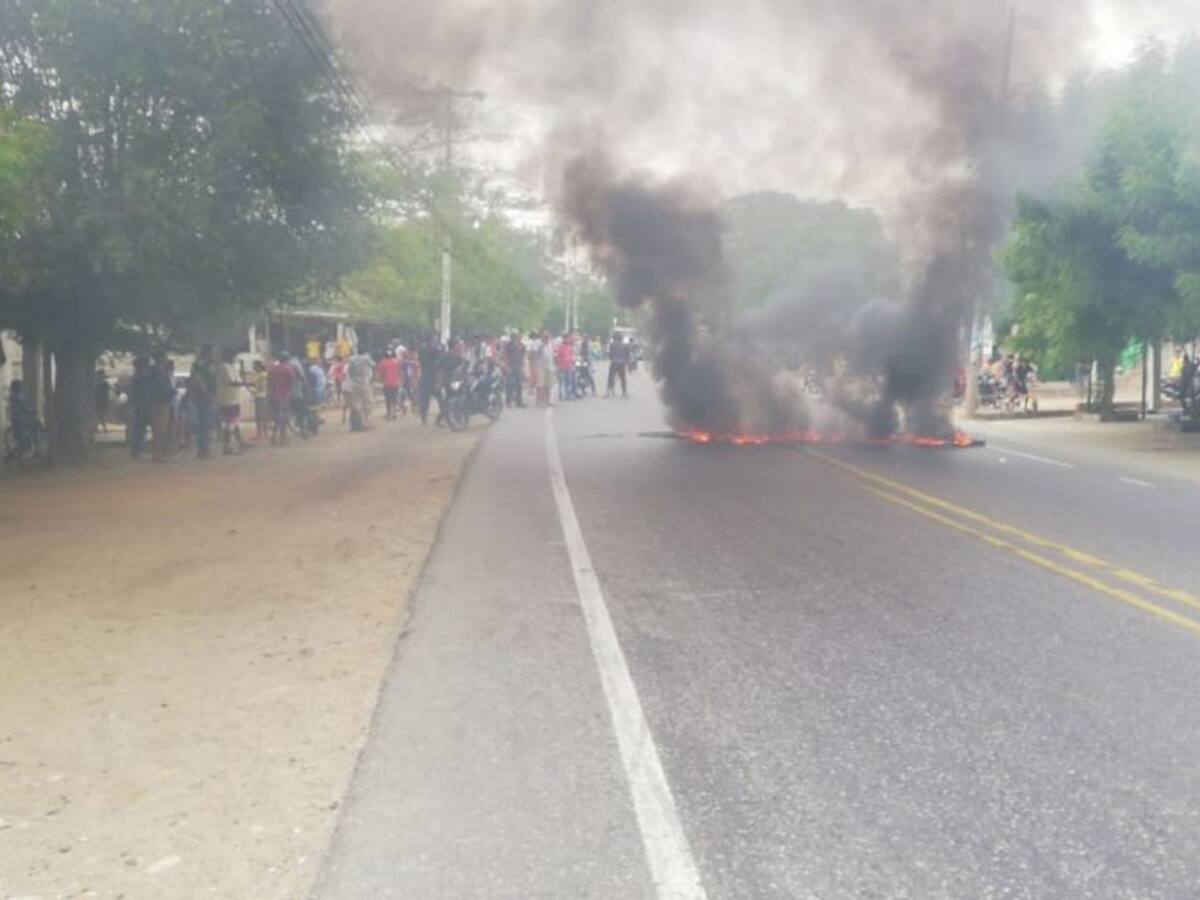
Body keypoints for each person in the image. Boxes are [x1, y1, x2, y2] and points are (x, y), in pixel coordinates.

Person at [188, 344, 219, 458]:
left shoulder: (210, 365)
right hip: (203, 398)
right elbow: (198, 381)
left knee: (206, 424)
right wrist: (209, 394)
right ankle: (203, 448)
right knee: (204, 424)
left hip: (205, 397)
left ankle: (204, 448)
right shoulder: (200, 365)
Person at [216, 348, 247, 455]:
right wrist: (246, 384)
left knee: (234, 422)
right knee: (230, 424)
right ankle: (226, 447)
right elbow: (232, 382)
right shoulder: (224, 367)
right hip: (228, 399)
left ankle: (239, 442)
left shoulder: (231, 367)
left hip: (233, 398)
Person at [147, 353, 174, 461]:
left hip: (154, 401)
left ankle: (157, 453)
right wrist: (171, 392)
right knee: (160, 428)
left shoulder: (151, 371)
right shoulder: (160, 371)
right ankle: (157, 454)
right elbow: (163, 387)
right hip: (162, 402)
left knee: (157, 428)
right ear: (162, 358)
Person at [267, 351, 296, 445]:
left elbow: (269, 381)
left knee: (275, 417)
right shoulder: (288, 368)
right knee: (283, 417)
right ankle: (283, 439)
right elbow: (293, 379)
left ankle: (274, 436)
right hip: (283, 395)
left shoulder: (273, 369)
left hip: (273, 395)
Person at [128, 355, 152, 458]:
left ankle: (137, 448)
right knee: (139, 428)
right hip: (141, 405)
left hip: (142, 404)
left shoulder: (138, 376)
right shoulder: (141, 376)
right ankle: (136, 449)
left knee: (139, 428)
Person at [6, 379, 36, 460]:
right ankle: (21, 454)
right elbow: (24, 406)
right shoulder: (19, 395)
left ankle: (15, 454)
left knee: (18, 436)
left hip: (14, 419)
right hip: (20, 419)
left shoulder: (11, 395)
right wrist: (31, 410)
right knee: (23, 436)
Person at [347, 348, 374, 431]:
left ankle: (359, 424)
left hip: (354, 384)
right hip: (364, 383)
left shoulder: (351, 359)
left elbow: (349, 372)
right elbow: (373, 365)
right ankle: (366, 422)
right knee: (368, 403)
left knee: (356, 405)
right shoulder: (366, 357)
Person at [417, 337, 441, 425]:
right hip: (433, 376)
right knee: (440, 397)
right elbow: (438, 360)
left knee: (425, 399)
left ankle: (424, 417)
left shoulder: (421, 350)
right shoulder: (434, 350)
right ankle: (443, 416)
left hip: (424, 375)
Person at [377, 348, 402, 420]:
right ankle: (394, 413)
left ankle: (389, 413)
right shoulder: (396, 362)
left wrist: (381, 379)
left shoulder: (383, 362)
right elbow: (399, 372)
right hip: (395, 383)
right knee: (394, 399)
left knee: (388, 399)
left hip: (386, 384)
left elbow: (380, 375)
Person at [503, 331, 526, 408]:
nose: (515, 338)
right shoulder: (508, 345)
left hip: (518, 366)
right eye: (514, 336)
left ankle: (519, 402)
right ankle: (508, 401)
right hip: (511, 366)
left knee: (519, 385)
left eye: (516, 336)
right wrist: (507, 366)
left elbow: (523, 356)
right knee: (510, 384)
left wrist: (523, 367)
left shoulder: (521, 345)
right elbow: (505, 355)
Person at [250, 360, 269, 441]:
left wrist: (252, 390)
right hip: (258, 396)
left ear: (258, 366)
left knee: (261, 415)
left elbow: (261, 387)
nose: (253, 367)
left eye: (254, 365)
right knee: (259, 416)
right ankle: (261, 433)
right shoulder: (257, 374)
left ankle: (264, 433)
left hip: (261, 396)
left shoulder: (262, 375)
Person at [607, 334, 630, 398]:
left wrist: (611, 359)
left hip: (614, 363)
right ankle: (624, 393)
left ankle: (608, 392)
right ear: (621, 338)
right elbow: (627, 354)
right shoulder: (625, 345)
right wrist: (626, 362)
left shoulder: (612, 345)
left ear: (614, 338)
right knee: (623, 379)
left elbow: (609, 354)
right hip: (622, 363)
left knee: (610, 377)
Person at [555, 332, 575, 401]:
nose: (567, 340)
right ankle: (561, 394)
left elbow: (572, 356)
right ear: (563, 339)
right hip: (562, 366)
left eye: (568, 338)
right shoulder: (560, 347)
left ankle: (567, 395)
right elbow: (558, 357)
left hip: (569, 366)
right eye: (566, 338)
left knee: (568, 381)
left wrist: (573, 363)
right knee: (562, 381)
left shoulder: (569, 347)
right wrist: (559, 365)